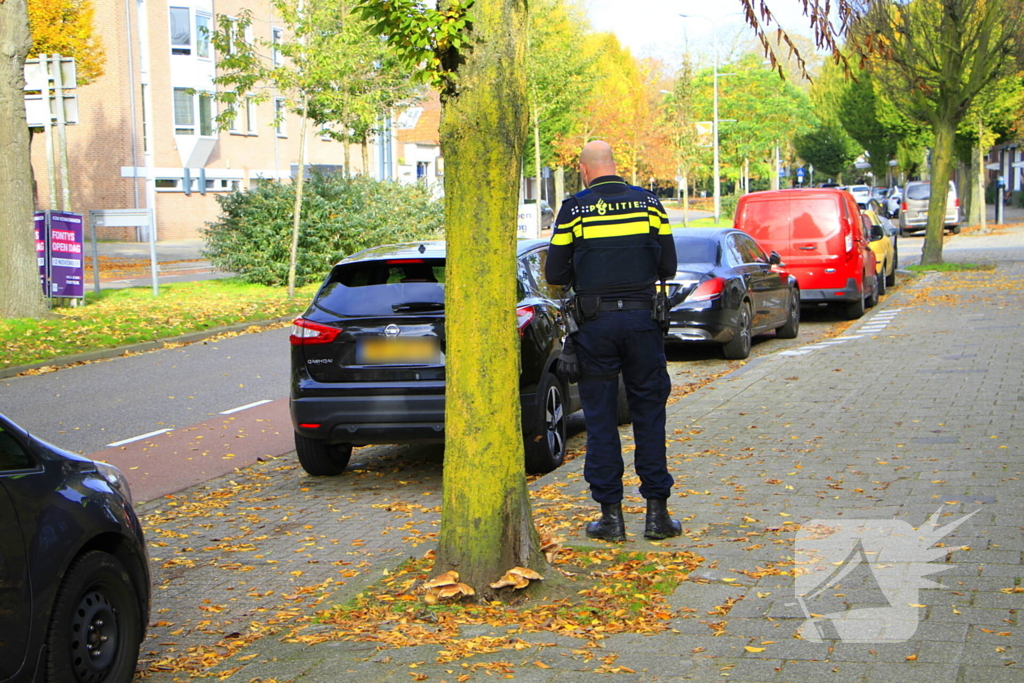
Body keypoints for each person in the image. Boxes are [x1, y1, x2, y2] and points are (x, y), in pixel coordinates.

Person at [545, 140, 681, 542]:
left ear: (584, 170)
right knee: (649, 416)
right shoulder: (650, 204)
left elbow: (554, 273)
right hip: (643, 321)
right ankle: (657, 516)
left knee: (601, 420)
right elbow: (668, 266)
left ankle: (611, 519)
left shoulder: (574, 209)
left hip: (595, 325)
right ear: (614, 165)